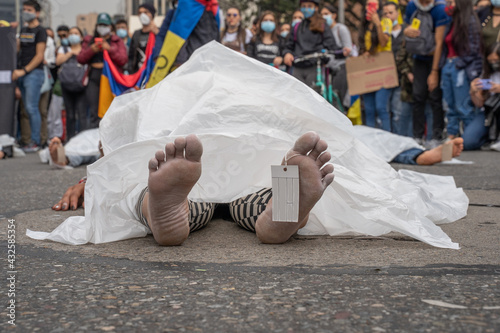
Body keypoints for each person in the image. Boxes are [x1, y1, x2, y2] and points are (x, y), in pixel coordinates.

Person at [35, 42, 467, 251]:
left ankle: (162, 214)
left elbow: (123, 141)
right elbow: (358, 141)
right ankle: (280, 213)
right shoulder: (260, 93)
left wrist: (96, 178)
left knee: (150, 189)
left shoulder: (169, 95)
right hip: (256, 166)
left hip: (192, 177)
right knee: (258, 193)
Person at [404, 0, 450, 147]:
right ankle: (417, 136)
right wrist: (407, 31)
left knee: (435, 96)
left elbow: (439, 42)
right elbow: (406, 26)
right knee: (418, 96)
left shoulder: (440, 9)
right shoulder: (412, 6)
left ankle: (436, 136)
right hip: (418, 57)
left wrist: (434, 72)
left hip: (435, 57)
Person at [440, 0, 483, 140]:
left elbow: (474, 49)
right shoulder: (452, 21)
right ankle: (452, 135)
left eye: (451, 2)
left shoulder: (470, 21)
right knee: (449, 104)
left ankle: (469, 138)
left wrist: (459, 64)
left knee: (462, 105)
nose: (448, 5)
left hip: (460, 66)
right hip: (448, 64)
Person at [77, 13, 127, 129]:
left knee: (111, 111)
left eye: (105, 25)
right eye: (100, 24)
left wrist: (109, 49)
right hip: (94, 77)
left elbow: (123, 59)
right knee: (94, 112)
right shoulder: (89, 40)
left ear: (110, 27)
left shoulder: (116, 41)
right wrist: (91, 50)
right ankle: (94, 140)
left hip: (110, 79)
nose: (102, 27)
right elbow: (80, 59)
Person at [12, 0, 47, 152]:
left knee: (32, 108)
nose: (26, 12)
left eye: (29, 9)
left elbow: (39, 56)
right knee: (26, 108)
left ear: (37, 13)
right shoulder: (24, 29)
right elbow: (17, 49)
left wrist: (24, 71)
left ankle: (36, 141)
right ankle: (28, 141)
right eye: (24, 9)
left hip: (33, 73)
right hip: (22, 73)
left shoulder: (41, 31)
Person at [283, 0, 338, 86]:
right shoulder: (297, 27)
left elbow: (331, 45)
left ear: (316, 8)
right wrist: (287, 53)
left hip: (315, 66)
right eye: (304, 6)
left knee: (314, 94)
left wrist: (327, 53)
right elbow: (289, 46)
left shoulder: (323, 25)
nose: (306, 9)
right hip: (298, 66)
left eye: (309, 6)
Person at [359, 0, 393, 131]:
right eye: (368, 5)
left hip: (384, 69)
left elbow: (384, 42)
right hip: (369, 69)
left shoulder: (386, 22)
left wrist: (378, 23)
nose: (370, 8)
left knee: (381, 107)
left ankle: (387, 140)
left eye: (373, 5)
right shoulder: (365, 25)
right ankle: (370, 144)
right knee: (369, 108)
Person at [56, 26, 88, 140]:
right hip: (66, 85)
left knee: (82, 114)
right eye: (71, 33)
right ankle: (70, 140)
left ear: (81, 37)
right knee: (70, 114)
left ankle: (83, 140)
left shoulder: (85, 50)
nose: (73, 35)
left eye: (76, 33)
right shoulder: (63, 49)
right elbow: (58, 61)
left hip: (81, 86)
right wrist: (70, 53)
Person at [321, 3, 352, 109]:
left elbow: (348, 49)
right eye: (322, 14)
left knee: (337, 97)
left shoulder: (341, 29)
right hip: (327, 69)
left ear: (334, 15)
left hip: (341, 67)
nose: (323, 16)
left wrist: (340, 52)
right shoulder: (322, 31)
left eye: (326, 14)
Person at [469, 42, 500, 150]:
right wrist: (473, 92)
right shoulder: (487, 73)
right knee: (468, 142)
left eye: (496, 61)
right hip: (489, 112)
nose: (494, 64)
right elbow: (480, 103)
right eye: (491, 61)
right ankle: (489, 139)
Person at [384, 2, 407, 134]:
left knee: (398, 111)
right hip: (385, 78)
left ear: (398, 13)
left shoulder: (406, 31)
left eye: (391, 13)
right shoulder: (383, 34)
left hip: (401, 77)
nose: (388, 16)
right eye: (385, 14)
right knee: (385, 111)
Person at [128, 3, 158, 74]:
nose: (142, 15)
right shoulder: (136, 34)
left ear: (152, 14)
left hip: (154, 73)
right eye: (140, 13)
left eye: (145, 12)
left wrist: (157, 33)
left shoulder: (160, 32)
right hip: (138, 74)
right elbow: (131, 55)